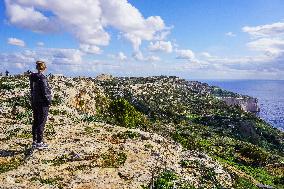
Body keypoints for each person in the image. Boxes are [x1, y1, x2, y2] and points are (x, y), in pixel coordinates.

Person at [29, 61, 52, 149]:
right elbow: (45, 92)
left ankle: (35, 141)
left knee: (36, 121)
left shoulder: (33, 77)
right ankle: (39, 142)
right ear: (44, 68)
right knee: (41, 122)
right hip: (42, 104)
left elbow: (32, 90)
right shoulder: (42, 78)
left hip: (35, 101)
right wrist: (49, 102)